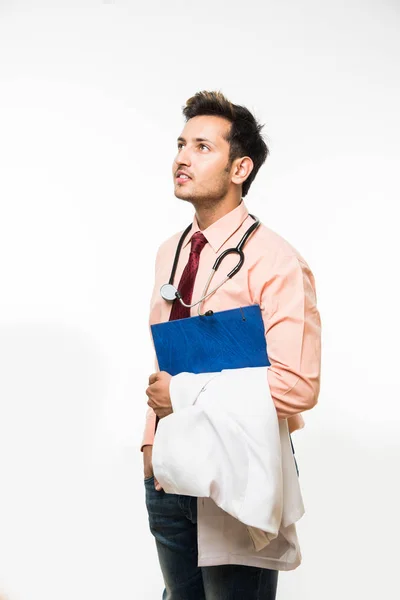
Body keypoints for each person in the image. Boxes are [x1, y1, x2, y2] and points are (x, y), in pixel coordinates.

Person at [141, 90, 321, 599]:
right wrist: (151, 446)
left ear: (240, 168)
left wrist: (182, 396)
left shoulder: (276, 260)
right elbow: (166, 357)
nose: (181, 158)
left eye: (202, 146)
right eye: (180, 144)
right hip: (169, 476)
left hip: (239, 467)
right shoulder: (170, 252)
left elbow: (297, 386)